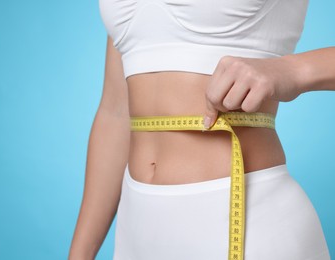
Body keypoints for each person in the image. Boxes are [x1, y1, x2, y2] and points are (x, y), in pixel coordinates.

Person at [69, 0, 334, 259]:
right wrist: (79, 254)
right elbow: (116, 112)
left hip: (245, 218)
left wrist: (295, 69)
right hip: (134, 230)